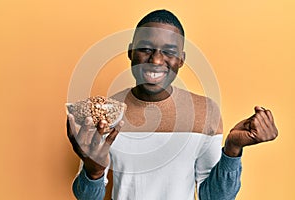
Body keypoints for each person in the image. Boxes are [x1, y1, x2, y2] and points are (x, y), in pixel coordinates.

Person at [67, 9, 278, 200]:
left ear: (181, 60)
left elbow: (214, 197)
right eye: (146, 48)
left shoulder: (205, 112)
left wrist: (232, 149)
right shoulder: (106, 114)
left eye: (169, 52)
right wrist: (92, 172)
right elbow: (86, 197)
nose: (156, 61)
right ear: (131, 52)